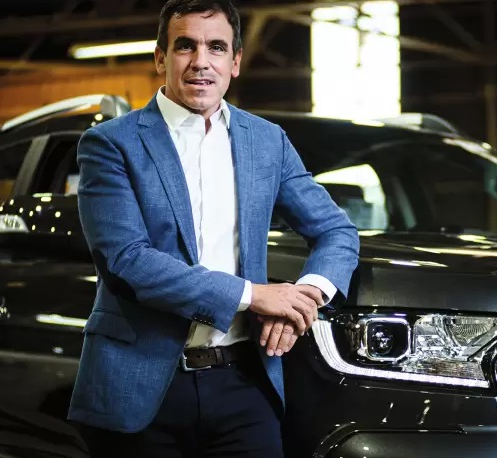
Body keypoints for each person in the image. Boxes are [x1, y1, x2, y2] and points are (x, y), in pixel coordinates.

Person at [66, 0, 360, 456]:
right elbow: (127, 260)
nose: (201, 61)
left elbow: (336, 232)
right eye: (186, 46)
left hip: (244, 383)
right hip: (140, 387)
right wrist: (254, 296)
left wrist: (303, 299)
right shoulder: (111, 144)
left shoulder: (266, 141)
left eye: (217, 47)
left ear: (235, 62)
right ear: (161, 57)